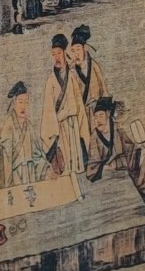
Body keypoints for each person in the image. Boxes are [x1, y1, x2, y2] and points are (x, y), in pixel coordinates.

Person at [37, 33, 86, 181]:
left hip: (74, 127)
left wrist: (83, 131)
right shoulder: (51, 81)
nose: (56, 57)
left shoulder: (73, 77)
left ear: (65, 53)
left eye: (59, 53)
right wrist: (58, 120)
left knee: (77, 165)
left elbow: (79, 106)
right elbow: (48, 111)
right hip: (60, 129)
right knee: (65, 168)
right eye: (53, 54)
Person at [68, 25, 111, 176]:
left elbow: (103, 89)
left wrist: (106, 111)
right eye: (73, 50)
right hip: (81, 113)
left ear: (84, 48)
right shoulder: (72, 72)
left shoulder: (95, 67)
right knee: (84, 140)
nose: (76, 54)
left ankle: (102, 165)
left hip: (95, 111)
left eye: (78, 49)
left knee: (99, 138)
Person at [0, 81, 46, 193]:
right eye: (20, 102)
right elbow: (6, 159)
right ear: (14, 103)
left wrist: (45, 167)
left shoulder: (28, 125)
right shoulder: (8, 125)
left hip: (30, 174)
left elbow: (36, 154)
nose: (23, 106)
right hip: (15, 175)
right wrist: (8, 185)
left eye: (26, 102)